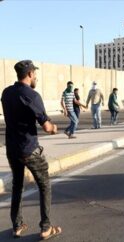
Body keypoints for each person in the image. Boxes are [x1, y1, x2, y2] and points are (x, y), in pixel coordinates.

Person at [1, 60, 62, 240]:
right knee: (45, 186)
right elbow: (47, 127)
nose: (36, 76)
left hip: (11, 149)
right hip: (29, 149)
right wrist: (55, 129)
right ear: (29, 74)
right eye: (34, 73)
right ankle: (46, 227)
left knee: (17, 186)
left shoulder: (6, 93)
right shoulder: (32, 96)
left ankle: (17, 226)